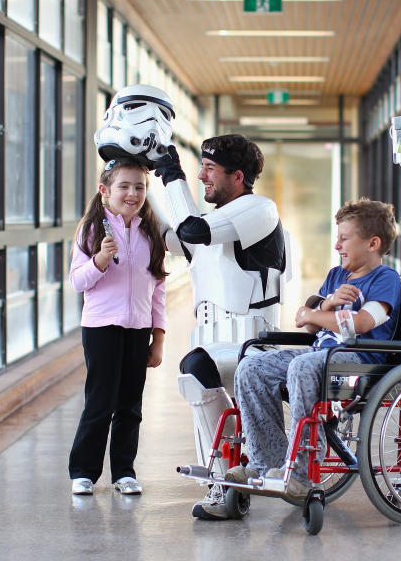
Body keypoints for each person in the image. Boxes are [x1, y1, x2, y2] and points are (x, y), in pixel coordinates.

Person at [224, 199, 401, 501]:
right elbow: (305, 325)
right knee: (251, 367)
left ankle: (301, 473)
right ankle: (267, 463)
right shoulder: (336, 276)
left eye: (344, 238)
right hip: (321, 356)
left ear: (373, 243)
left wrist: (313, 313)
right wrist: (327, 306)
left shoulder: (386, 280)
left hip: (357, 365)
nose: (337, 245)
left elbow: (360, 323)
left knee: (303, 367)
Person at [152, 133, 288, 520]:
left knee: (194, 369)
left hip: (254, 345)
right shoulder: (216, 223)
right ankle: (226, 474)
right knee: (195, 370)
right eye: (200, 168)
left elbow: (192, 230)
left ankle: (225, 479)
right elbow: (172, 236)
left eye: (210, 169)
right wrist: (141, 185)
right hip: (218, 344)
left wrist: (170, 174)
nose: (201, 176)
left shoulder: (260, 209)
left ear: (238, 176)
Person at [66, 156, 168, 496]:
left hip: (137, 329)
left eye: (139, 187)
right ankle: (83, 472)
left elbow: (158, 288)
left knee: (130, 406)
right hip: (101, 328)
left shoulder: (150, 232)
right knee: (100, 403)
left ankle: (124, 472)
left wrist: (159, 337)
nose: (132, 193)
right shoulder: (91, 230)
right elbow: (78, 282)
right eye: (123, 186)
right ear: (104, 190)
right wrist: (100, 261)